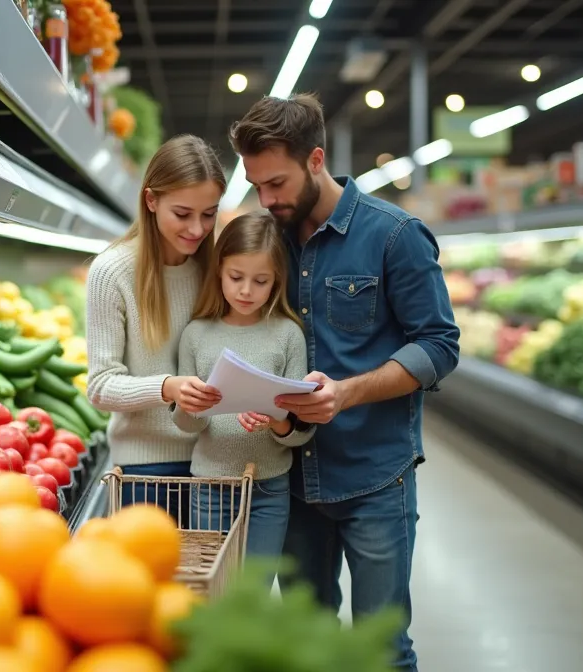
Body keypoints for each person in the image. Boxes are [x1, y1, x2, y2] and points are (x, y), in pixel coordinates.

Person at [228, 93, 460, 671]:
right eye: (257, 185)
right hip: (291, 480)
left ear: (315, 159)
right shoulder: (268, 238)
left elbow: (439, 345)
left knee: (380, 647)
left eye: (276, 182)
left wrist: (347, 392)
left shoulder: (394, 235)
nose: (267, 199)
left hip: (374, 476)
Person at [85, 134, 227, 513]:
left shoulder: (216, 271)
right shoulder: (111, 272)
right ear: (151, 200)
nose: (198, 229)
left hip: (215, 465)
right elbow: (100, 386)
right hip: (143, 472)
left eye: (209, 213)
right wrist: (168, 388)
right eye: (182, 214)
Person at [170, 211, 315, 570]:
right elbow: (187, 427)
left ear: (277, 281)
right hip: (209, 486)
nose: (246, 290)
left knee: (253, 595)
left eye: (261, 281)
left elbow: (300, 433)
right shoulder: (196, 334)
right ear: (218, 270)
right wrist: (191, 406)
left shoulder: (287, 335)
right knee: (211, 589)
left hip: (268, 490)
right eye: (236, 277)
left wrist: (276, 422)